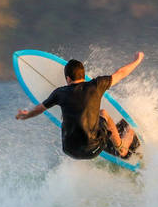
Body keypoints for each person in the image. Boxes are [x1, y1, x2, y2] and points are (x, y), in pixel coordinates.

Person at [15, 51, 144, 160]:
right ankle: (122, 149)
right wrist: (137, 60)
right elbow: (121, 73)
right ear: (84, 75)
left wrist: (26, 115)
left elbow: (39, 109)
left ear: (68, 78)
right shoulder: (96, 85)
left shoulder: (59, 93)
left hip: (69, 150)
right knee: (103, 114)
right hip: (93, 149)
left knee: (68, 115)